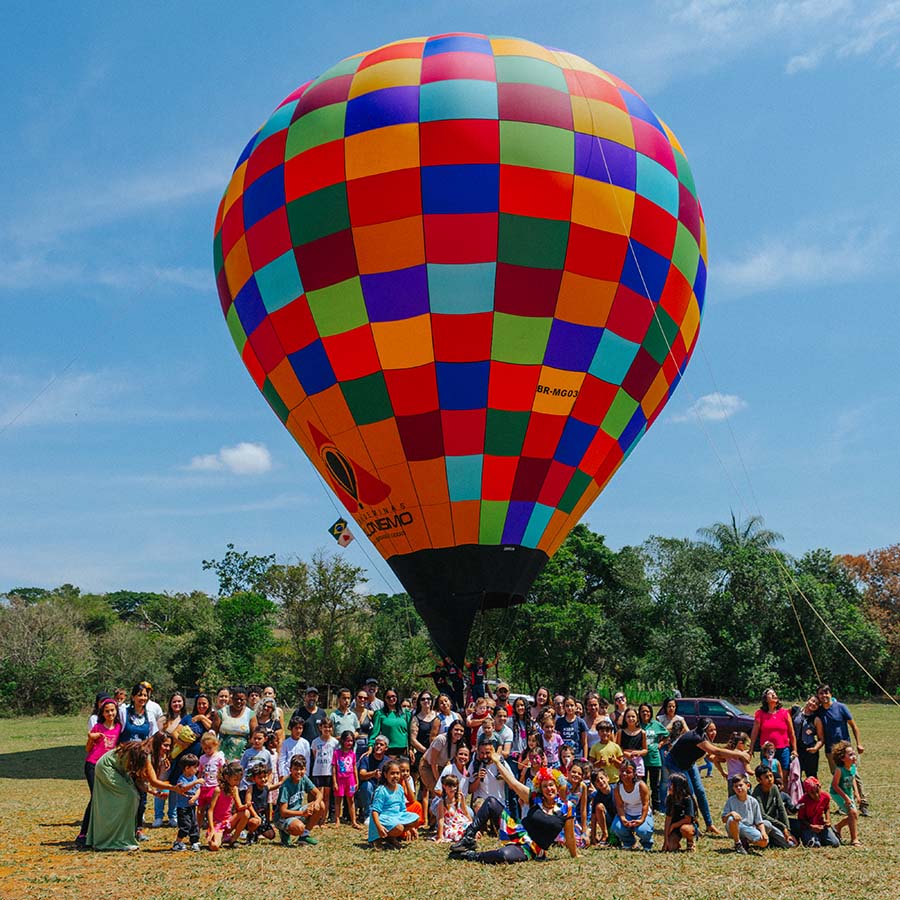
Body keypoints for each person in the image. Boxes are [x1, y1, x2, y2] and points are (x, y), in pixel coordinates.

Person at [448, 746, 578, 864]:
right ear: (540, 788)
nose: (549, 789)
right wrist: (498, 762)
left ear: (557, 786)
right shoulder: (534, 798)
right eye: (545, 786)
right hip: (517, 831)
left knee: (503, 855)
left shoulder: (566, 808)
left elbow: (570, 836)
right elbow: (513, 783)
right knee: (491, 802)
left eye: (551, 785)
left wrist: (575, 855)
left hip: (531, 848)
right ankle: (468, 838)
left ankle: (470, 855)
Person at [85, 740, 186, 851]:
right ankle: (119, 840)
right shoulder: (144, 754)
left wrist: (154, 793)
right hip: (107, 767)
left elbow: (139, 781)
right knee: (129, 796)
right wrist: (174, 788)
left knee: (134, 796)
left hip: (117, 769)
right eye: (165, 745)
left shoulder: (145, 755)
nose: (167, 749)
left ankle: (123, 836)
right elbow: (153, 781)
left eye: (169, 746)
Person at [666, 718, 750, 835]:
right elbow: (716, 751)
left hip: (689, 763)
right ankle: (693, 824)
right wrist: (739, 754)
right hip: (676, 763)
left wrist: (723, 770)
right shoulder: (697, 737)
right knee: (689, 794)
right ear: (704, 730)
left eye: (715, 729)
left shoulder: (704, 738)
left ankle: (709, 824)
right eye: (710, 730)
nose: (713, 733)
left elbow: (712, 756)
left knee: (700, 791)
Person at [816, 684, 868, 816]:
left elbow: (854, 726)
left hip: (846, 749)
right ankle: (844, 804)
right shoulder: (819, 711)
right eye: (821, 693)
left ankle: (863, 803)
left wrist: (859, 744)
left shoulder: (841, 707)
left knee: (854, 776)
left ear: (831, 694)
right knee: (838, 777)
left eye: (826, 693)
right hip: (831, 751)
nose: (824, 696)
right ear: (818, 696)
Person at [77, 697, 122, 847]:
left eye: (112, 710)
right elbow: (88, 749)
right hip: (92, 765)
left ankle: (100, 832)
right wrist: (91, 738)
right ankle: (83, 834)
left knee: (104, 798)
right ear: (102, 713)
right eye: (107, 711)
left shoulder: (118, 727)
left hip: (108, 767)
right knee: (95, 797)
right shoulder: (97, 727)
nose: (110, 713)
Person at [154, 691, 192, 827]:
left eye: (179, 701)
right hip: (166, 757)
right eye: (174, 701)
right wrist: (163, 756)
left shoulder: (187, 718)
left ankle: (172, 815)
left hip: (181, 758)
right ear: (170, 703)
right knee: (161, 783)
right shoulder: (163, 720)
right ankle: (158, 816)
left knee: (176, 786)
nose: (177, 704)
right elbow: (158, 739)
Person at [368, 758, 421, 848]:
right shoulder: (382, 790)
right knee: (399, 828)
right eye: (392, 773)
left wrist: (410, 826)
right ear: (385, 775)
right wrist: (379, 827)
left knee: (416, 819)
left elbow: (402, 808)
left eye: (397, 773)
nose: (395, 776)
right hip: (384, 818)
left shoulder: (400, 788)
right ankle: (380, 837)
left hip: (396, 816)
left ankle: (390, 838)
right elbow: (375, 811)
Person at [748, 687, 797, 777]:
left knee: (783, 776)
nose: (774, 694)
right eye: (770, 694)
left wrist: (794, 750)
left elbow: (791, 733)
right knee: (767, 775)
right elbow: (754, 732)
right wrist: (751, 748)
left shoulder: (784, 713)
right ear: (766, 699)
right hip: (767, 750)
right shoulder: (760, 714)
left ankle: (783, 791)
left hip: (783, 749)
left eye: (775, 693)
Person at [275, 754, 323, 845]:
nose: (299, 772)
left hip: (297, 812)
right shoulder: (286, 786)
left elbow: (319, 794)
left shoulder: (304, 778)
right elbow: (283, 812)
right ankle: (284, 831)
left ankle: (304, 836)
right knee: (299, 827)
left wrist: (316, 802)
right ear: (290, 770)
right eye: (296, 769)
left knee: (321, 805)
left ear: (305, 769)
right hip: (283, 818)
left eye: (301, 769)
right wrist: (302, 813)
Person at [611, 759, 653, 850]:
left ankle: (647, 843)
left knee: (643, 831)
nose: (624, 774)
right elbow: (620, 806)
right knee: (617, 827)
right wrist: (623, 818)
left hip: (641, 814)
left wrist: (641, 820)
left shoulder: (641, 786)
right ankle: (628, 842)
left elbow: (645, 804)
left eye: (628, 772)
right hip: (627, 813)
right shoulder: (617, 788)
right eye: (622, 771)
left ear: (634, 773)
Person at [751, 764, 796, 849]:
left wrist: (787, 830)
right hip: (762, 824)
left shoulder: (774, 788)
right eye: (766, 777)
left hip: (775, 822)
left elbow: (781, 809)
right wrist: (782, 827)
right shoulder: (756, 794)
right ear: (759, 780)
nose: (770, 779)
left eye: (771, 776)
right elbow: (762, 815)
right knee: (789, 845)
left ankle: (774, 840)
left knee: (792, 841)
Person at [721, 774, 768, 854]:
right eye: (736, 786)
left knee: (764, 843)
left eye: (740, 785)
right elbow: (724, 819)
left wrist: (763, 833)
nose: (738, 788)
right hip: (735, 827)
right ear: (733, 788)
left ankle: (746, 841)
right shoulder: (731, 800)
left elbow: (759, 821)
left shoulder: (753, 801)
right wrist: (731, 813)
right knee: (732, 820)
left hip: (748, 828)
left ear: (748, 786)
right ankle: (738, 844)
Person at [830, 741, 862, 846]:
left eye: (854, 754)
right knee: (852, 813)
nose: (854, 757)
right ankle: (854, 839)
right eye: (850, 755)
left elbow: (852, 780)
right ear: (842, 758)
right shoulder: (839, 770)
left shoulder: (852, 767)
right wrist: (846, 798)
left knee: (854, 815)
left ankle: (837, 827)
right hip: (837, 793)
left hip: (848, 792)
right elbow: (835, 785)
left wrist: (856, 793)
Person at [639, 702, 668, 812]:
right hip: (641, 760)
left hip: (655, 759)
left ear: (651, 713)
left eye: (647, 711)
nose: (645, 713)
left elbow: (666, 734)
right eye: (643, 711)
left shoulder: (655, 724)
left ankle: (656, 807)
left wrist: (660, 744)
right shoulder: (638, 725)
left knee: (655, 785)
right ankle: (645, 805)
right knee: (643, 784)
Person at [796, 776, 840, 847]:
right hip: (808, 827)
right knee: (815, 845)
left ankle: (821, 836)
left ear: (820, 787)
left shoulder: (825, 797)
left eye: (817, 791)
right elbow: (800, 818)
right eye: (812, 793)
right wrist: (811, 826)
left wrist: (828, 820)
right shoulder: (803, 801)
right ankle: (812, 837)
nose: (816, 795)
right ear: (807, 792)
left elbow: (826, 809)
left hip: (821, 825)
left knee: (835, 843)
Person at [171, 753, 202, 851]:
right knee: (185, 826)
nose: (197, 769)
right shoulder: (182, 779)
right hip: (183, 807)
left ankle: (194, 842)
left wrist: (195, 798)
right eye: (195, 767)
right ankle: (178, 842)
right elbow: (183, 789)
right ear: (187, 768)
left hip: (192, 806)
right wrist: (194, 783)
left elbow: (198, 789)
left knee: (194, 825)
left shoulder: (194, 777)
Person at [368, 688, 411, 757]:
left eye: (393, 696)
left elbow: (410, 733)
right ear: (384, 699)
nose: (391, 699)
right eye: (388, 697)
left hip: (404, 751)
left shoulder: (405, 713)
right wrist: (370, 746)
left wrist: (411, 749)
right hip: (387, 751)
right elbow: (375, 733)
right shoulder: (379, 714)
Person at [310, 717, 339, 820]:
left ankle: (323, 819)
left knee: (327, 796)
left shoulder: (335, 742)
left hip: (329, 772)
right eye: (325, 727)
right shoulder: (315, 742)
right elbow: (315, 755)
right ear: (320, 727)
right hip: (317, 771)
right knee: (318, 796)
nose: (327, 729)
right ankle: (317, 817)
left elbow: (335, 758)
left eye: (330, 727)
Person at [215, 686, 253, 761]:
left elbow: (254, 735)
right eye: (236, 699)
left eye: (242, 699)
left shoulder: (250, 714)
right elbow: (213, 733)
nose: (239, 701)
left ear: (246, 700)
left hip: (242, 756)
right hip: (222, 755)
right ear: (231, 699)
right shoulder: (222, 713)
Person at [332, 730, 361, 829]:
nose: (349, 743)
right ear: (343, 741)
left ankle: (354, 821)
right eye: (347, 741)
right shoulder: (336, 753)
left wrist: (356, 781)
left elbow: (354, 768)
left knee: (351, 800)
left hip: (350, 780)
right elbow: (334, 768)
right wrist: (334, 782)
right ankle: (337, 820)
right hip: (340, 780)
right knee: (338, 800)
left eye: (351, 741)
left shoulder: (352, 754)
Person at [357, 735, 390, 820]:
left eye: (381, 745)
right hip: (369, 787)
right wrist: (373, 774)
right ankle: (368, 815)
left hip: (382, 788)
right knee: (367, 786)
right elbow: (362, 774)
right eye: (376, 744)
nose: (378, 746)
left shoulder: (388, 762)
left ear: (386, 748)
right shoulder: (366, 758)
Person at [662, 772, 696, 851]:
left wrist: (674, 825)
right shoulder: (670, 798)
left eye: (671, 784)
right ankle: (676, 842)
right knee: (670, 848)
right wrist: (666, 840)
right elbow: (668, 819)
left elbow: (687, 819)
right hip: (675, 827)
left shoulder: (688, 799)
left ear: (678, 786)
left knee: (685, 829)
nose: (668, 786)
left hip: (686, 825)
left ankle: (690, 842)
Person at [434, 773, 472, 842]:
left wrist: (472, 824)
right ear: (444, 786)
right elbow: (441, 819)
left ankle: (470, 833)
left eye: (454, 786)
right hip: (450, 825)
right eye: (450, 786)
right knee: (455, 832)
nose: (453, 788)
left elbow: (465, 812)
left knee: (469, 827)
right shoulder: (442, 802)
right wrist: (439, 836)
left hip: (460, 822)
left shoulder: (459, 798)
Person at [794, 695, 825, 778]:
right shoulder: (796, 711)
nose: (814, 704)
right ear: (808, 700)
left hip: (810, 751)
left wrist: (815, 748)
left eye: (817, 704)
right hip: (795, 749)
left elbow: (821, 739)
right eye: (813, 701)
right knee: (796, 776)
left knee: (812, 777)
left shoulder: (816, 719)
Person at [244, 763, 276, 843]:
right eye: (260, 777)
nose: (263, 779)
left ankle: (257, 832)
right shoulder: (251, 788)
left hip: (261, 816)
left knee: (271, 835)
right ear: (254, 779)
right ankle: (251, 833)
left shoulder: (266, 788)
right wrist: (255, 816)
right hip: (251, 815)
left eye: (265, 777)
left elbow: (267, 806)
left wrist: (268, 821)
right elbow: (248, 803)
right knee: (254, 822)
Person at [617, 706, 647, 779]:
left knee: (638, 782)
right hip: (624, 759)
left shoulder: (642, 732)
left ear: (637, 718)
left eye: (633, 716)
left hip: (638, 760)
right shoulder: (621, 732)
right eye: (628, 717)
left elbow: (645, 750)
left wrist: (639, 753)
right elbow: (617, 748)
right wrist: (625, 753)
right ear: (625, 718)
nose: (631, 719)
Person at [589, 769, 616, 846]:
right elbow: (593, 818)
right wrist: (593, 837)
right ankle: (605, 834)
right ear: (595, 784)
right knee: (599, 807)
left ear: (607, 778)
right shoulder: (597, 796)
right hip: (608, 821)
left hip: (619, 818)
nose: (600, 781)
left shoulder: (616, 789)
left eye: (602, 778)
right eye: (597, 781)